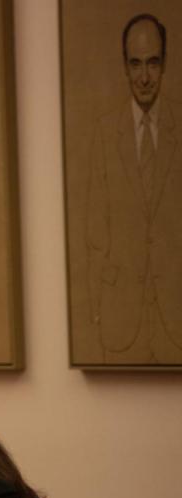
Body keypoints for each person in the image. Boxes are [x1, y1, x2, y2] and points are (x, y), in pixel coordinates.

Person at [86, 13, 182, 364]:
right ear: (125, 67)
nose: (144, 77)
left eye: (153, 63)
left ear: (166, 63)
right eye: (136, 64)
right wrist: (97, 308)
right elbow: (95, 232)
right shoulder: (105, 133)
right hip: (120, 317)